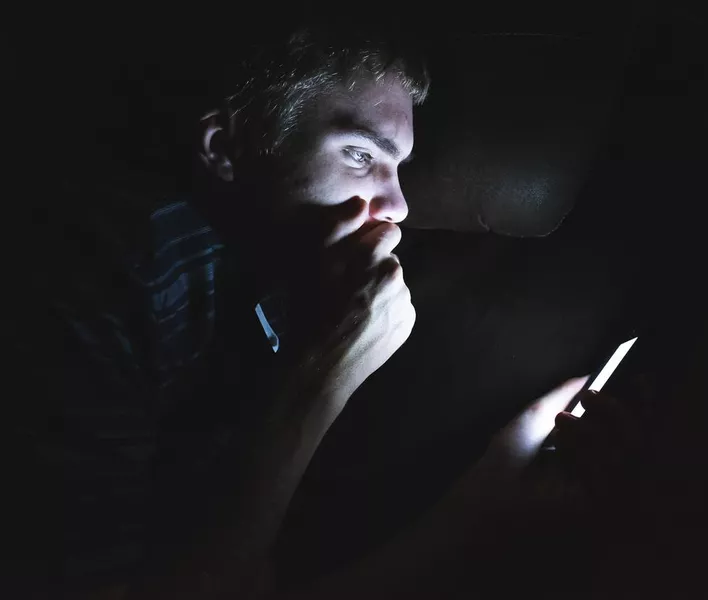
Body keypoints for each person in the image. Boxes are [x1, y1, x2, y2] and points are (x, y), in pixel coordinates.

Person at [8, 26, 644, 599]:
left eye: (400, 169)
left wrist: (480, 505)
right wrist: (322, 377)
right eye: (361, 156)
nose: (395, 205)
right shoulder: (102, 271)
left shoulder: (283, 267)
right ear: (225, 146)